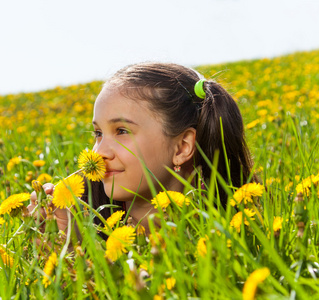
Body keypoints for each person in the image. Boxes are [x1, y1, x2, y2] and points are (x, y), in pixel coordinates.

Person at [28, 62, 255, 234]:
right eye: (98, 134)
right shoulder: (90, 226)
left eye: (122, 131)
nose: (99, 153)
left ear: (182, 148)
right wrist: (62, 242)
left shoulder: (226, 237)